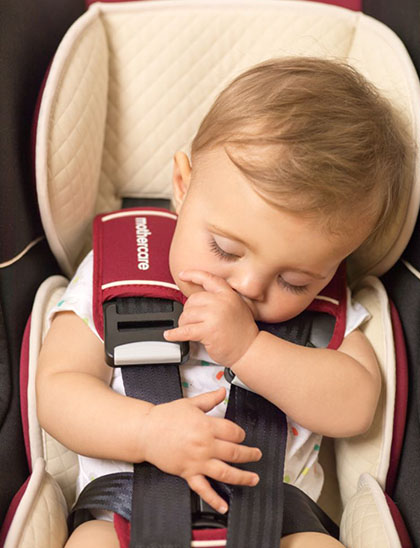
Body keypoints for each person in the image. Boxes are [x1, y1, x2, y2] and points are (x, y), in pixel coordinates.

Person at [36, 57, 414, 547]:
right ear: (182, 187)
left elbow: (357, 404)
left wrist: (251, 350)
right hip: (129, 517)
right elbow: (58, 390)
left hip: (277, 522)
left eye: (295, 280)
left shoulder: (323, 316)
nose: (251, 286)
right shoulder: (117, 277)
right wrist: (147, 431)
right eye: (226, 250)